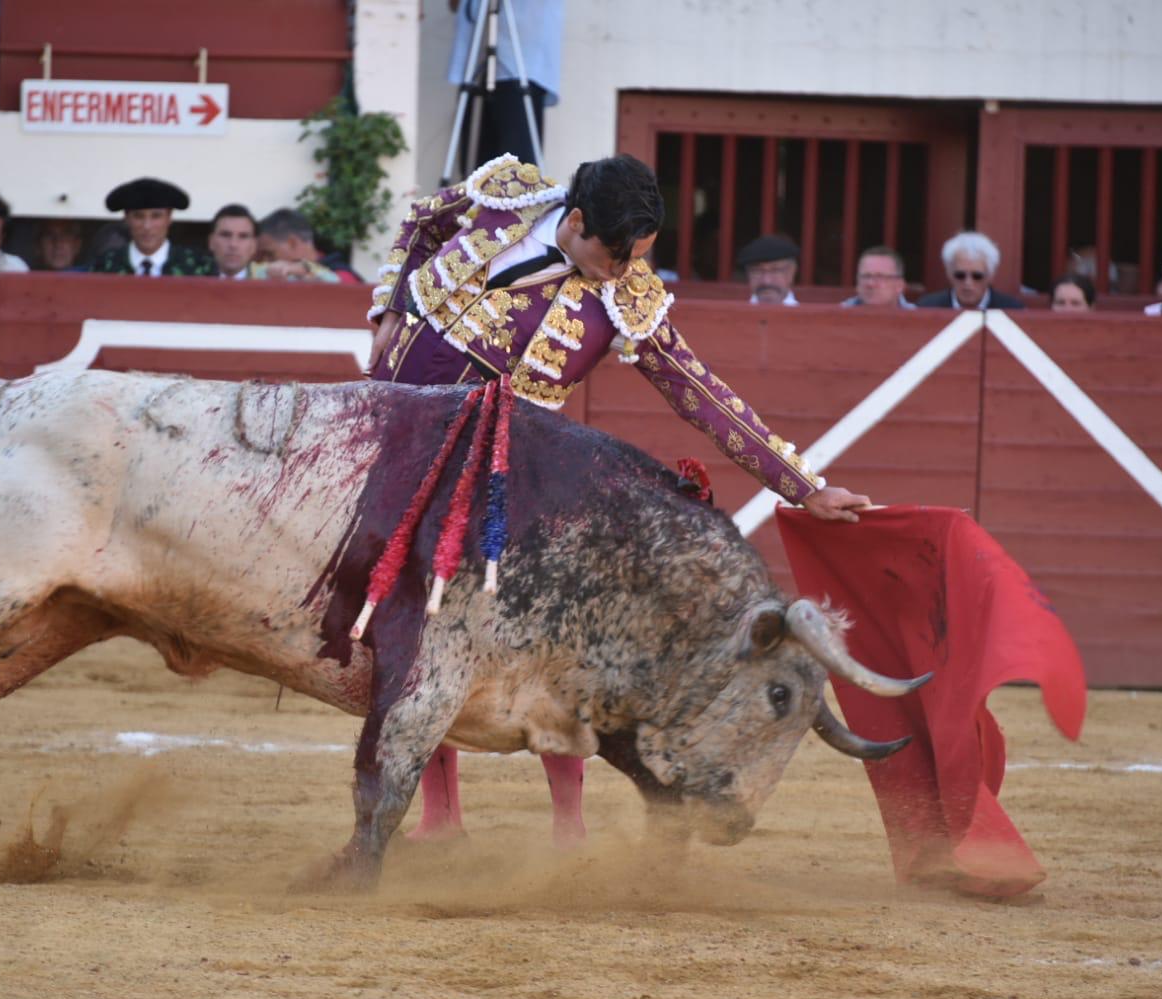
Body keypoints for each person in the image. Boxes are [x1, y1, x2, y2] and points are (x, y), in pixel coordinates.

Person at [366, 153, 873, 843]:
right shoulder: (505, 195)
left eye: (635, 256)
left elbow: (706, 398)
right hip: (392, 438)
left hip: (497, 475)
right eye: (614, 254)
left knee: (545, 645)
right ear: (573, 220)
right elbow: (422, 222)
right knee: (412, 626)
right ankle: (441, 816)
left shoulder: (626, 299)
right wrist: (390, 308)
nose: (623, 270)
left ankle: (568, 826)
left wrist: (804, 487)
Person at [447, 0, 563, 171]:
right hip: (477, 63)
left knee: (517, 170)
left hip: (520, 62)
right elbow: (455, 5)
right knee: (476, 169)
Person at [90, 178, 214, 276]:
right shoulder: (105, 266)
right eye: (138, 216)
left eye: (156, 216)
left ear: (169, 218)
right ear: (127, 219)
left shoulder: (198, 267)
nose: (147, 226)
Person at [916, 231, 1025, 310]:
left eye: (977, 276)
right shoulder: (927, 307)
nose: (968, 282)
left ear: (990, 276)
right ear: (949, 274)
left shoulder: (1012, 309)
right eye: (960, 275)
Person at [255, 208, 357, 282]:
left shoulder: (342, 275)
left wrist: (307, 273)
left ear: (292, 243)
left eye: (269, 254)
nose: (266, 261)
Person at [841, 245, 916, 309]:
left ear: (899, 285)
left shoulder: (919, 319)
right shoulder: (839, 314)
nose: (871, 284)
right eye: (866, 276)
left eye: (880, 277)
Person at [737, 234, 800, 305]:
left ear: (792, 271)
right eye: (757, 271)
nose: (766, 281)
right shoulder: (732, 314)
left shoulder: (807, 314)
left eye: (776, 270)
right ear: (748, 274)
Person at [207, 204, 266, 279]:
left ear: (254, 245)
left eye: (243, 236)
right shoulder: (195, 286)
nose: (233, 244)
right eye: (225, 235)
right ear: (211, 242)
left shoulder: (270, 285)